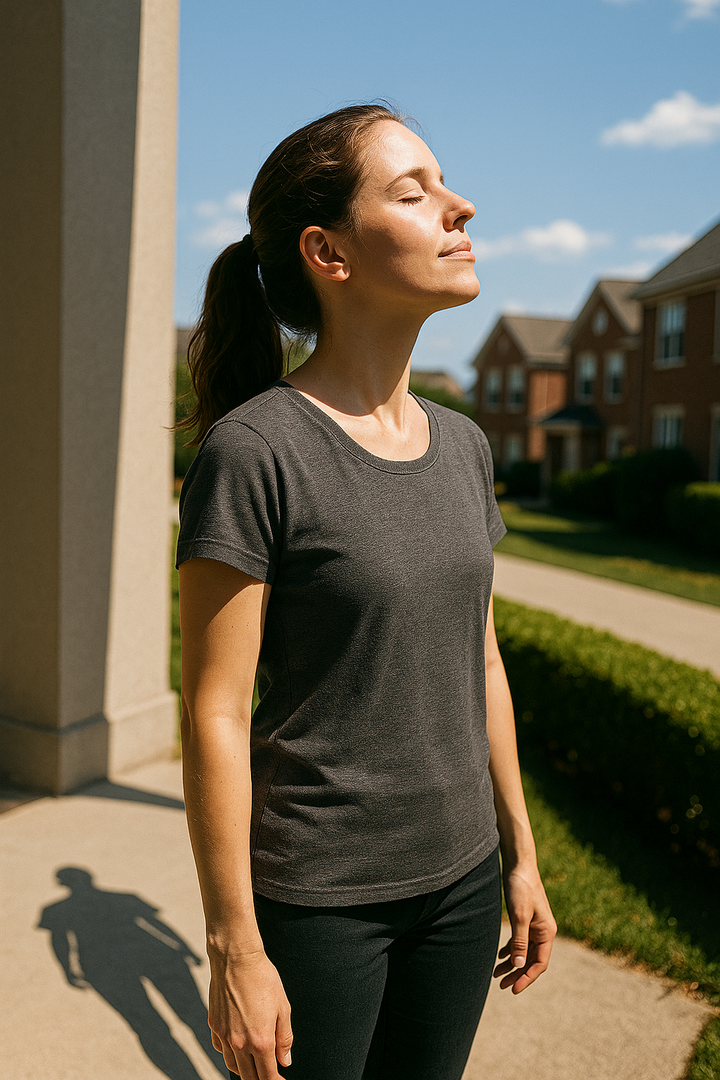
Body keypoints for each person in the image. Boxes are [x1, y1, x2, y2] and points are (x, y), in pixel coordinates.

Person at [176, 103, 556, 1080]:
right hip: (322, 902)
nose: (459, 207)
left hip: (463, 882)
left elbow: (480, 658)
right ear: (328, 253)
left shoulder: (466, 445)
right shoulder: (255, 450)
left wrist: (519, 853)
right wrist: (233, 944)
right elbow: (215, 711)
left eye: (445, 183)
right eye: (413, 191)